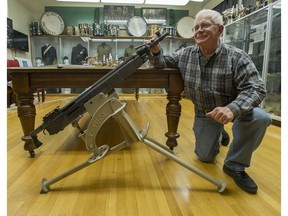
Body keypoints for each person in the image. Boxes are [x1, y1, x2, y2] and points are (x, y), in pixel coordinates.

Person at [148, 9, 271, 194]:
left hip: (234, 109)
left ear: (220, 29)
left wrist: (232, 109)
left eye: (205, 25)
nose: (199, 30)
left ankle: (235, 164)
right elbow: (161, 62)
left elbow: (257, 88)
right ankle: (220, 133)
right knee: (205, 157)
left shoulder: (237, 56)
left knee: (261, 117)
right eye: (196, 27)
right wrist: (156, 51)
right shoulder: (185, 54)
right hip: (205, 112)